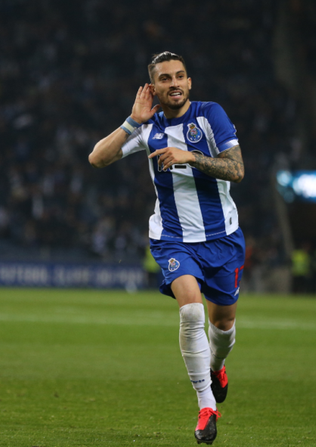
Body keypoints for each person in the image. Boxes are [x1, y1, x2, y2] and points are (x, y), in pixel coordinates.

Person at [89, 51, 245, 444]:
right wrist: (131, 123)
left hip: (222, 238)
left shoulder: (211, 115)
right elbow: (97, 158)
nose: (174, 83)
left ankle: (218, 365)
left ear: (189, 82)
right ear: (153, 87)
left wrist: (190, 156)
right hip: (173, 238)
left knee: (222, 322)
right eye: (164, 78)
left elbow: (237, 169)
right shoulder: (147, 126)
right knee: (192, 311)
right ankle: (206, 406)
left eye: (180, 76)